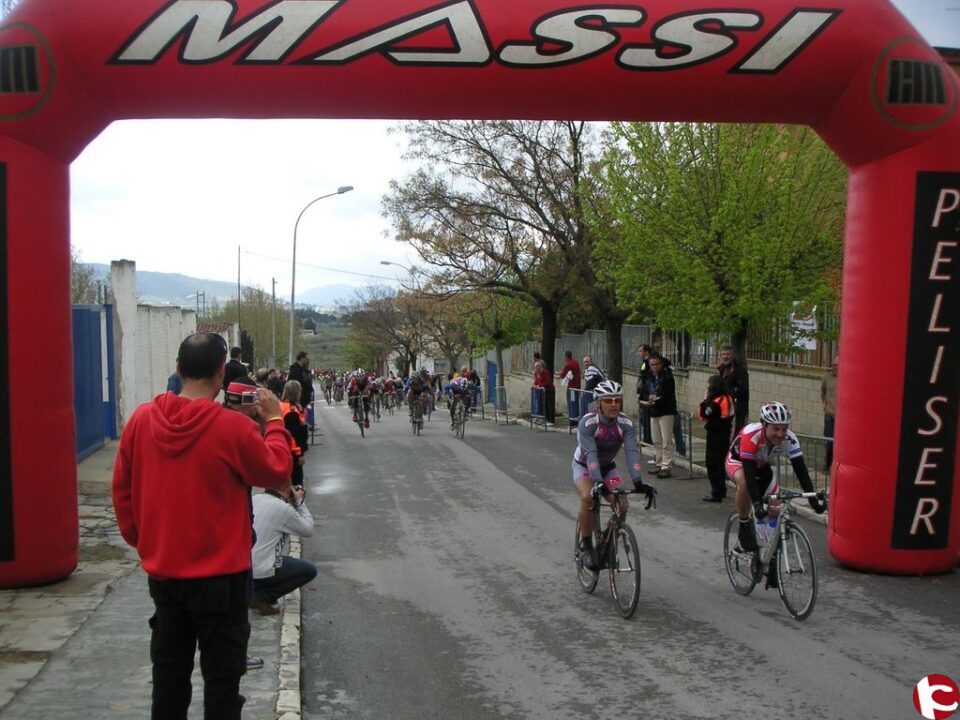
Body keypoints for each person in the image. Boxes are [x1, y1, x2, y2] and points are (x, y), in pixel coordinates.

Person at [112, 331, 293, 720]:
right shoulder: (234, 429)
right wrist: (274, 421)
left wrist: (144, 543)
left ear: (178, 370)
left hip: (164, 574)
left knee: (169, 677)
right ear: (220, 374)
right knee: (223, 683)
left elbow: (122, 492)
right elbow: (277, 469)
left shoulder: (141, 420)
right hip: (222, 579)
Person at [726, 402, 825, 586]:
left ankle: (768, 556)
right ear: (764, 424)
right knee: (747, 485)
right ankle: (744, 524)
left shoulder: (789, 439)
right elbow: (748, 471)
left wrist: (813, 500)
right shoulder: (751, 435)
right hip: (739, 463)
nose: (781, 434)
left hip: (762, 467)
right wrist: (756, 503)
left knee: (775, 508)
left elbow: (801, 471)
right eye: (776, 429)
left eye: (784, 429)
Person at [572, 381, 656, 570]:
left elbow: (632, 452)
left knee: (621, 505)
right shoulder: (588, 423)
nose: (614, 404)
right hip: (584, 466)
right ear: (599, 403)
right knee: (588, 498)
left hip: (608, 467)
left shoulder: (625, 423)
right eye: (608, 400)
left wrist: (638, 481)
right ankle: (586, 546)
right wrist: (599, 484)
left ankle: (606, 543)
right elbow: (591, 455)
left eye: (617, 400)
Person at [250, 484, 317, 615]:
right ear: (286, 491)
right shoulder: (284, 510)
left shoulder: (254, 499)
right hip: (263, 571)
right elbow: (308, 530)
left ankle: (252, 592)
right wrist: (299, 503)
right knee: (309, 570)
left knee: (285, 560)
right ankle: (263, 596)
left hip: (245, 569)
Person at [698, 375, 735, 502]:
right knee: (720, 463)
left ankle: (717, 492)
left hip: (715, 435)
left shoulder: (716, 402)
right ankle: (721, 490)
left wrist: (704, 400)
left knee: (713, 464)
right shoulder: (728, 398)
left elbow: (704, 415)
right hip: (725, 433)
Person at [643, 353, 677, 478]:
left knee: (666, 440)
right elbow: (644, 392)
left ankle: (666, 465)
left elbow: (667, 394)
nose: (654, 367)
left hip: (666, 411)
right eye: (652, 365)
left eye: (657, 364)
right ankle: (659, 462)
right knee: (656, 439)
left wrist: (656, 398)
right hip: (654, 410)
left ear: (661, 364)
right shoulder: (649, 377)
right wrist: (648, 398)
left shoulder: (667, 377)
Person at [280, 380, 309, 488]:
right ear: (296, 392)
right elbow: (294, 435)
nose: (301, 392)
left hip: (283, 450)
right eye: (300, 390)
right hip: (292, 453)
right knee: (297, 484)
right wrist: (299, 454)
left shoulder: (282, 405)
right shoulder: (291, 411)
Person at [718, 345, 750, 434]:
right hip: (726, 405)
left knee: (738, 431)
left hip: (738, 407)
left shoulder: (739, 370)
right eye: (723, 354)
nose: (725, 357)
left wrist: (732, 394)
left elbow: (743, 390)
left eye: (728, 354)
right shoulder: (722, 368)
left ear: (732, 355)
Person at [821, 356, 838, 476]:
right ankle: (827, 464)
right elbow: (823, 391)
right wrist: (825, 404)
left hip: (842, 417)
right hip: (829, 415)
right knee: (829, 441)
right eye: (833, 365)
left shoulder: (845, 377)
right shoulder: (826, 377)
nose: (835, 368)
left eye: (837, 365)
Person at [635, 344, 654, 444]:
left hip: (646, 395)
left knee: (646, 418)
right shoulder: (644, 363)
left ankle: (648, 439)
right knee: (643, 418)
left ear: (646, 352)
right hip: (643, 394)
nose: (639, 353)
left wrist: (640, 393)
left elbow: (644, 379)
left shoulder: (648, 363)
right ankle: (646, 438)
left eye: (640, 351)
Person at [533, 359, 556, 424]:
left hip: (549, 390)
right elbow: (536, 381)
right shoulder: (537, 374)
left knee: (549, 406)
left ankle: (551, 421)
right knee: (543, 405)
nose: (536, 369)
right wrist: (534, 385)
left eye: (537, 367)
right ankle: (543, 419)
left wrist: (538, 386)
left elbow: (547, 382)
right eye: (535, 367)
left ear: (540, 367)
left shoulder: (546, 373)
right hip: (542, 392)